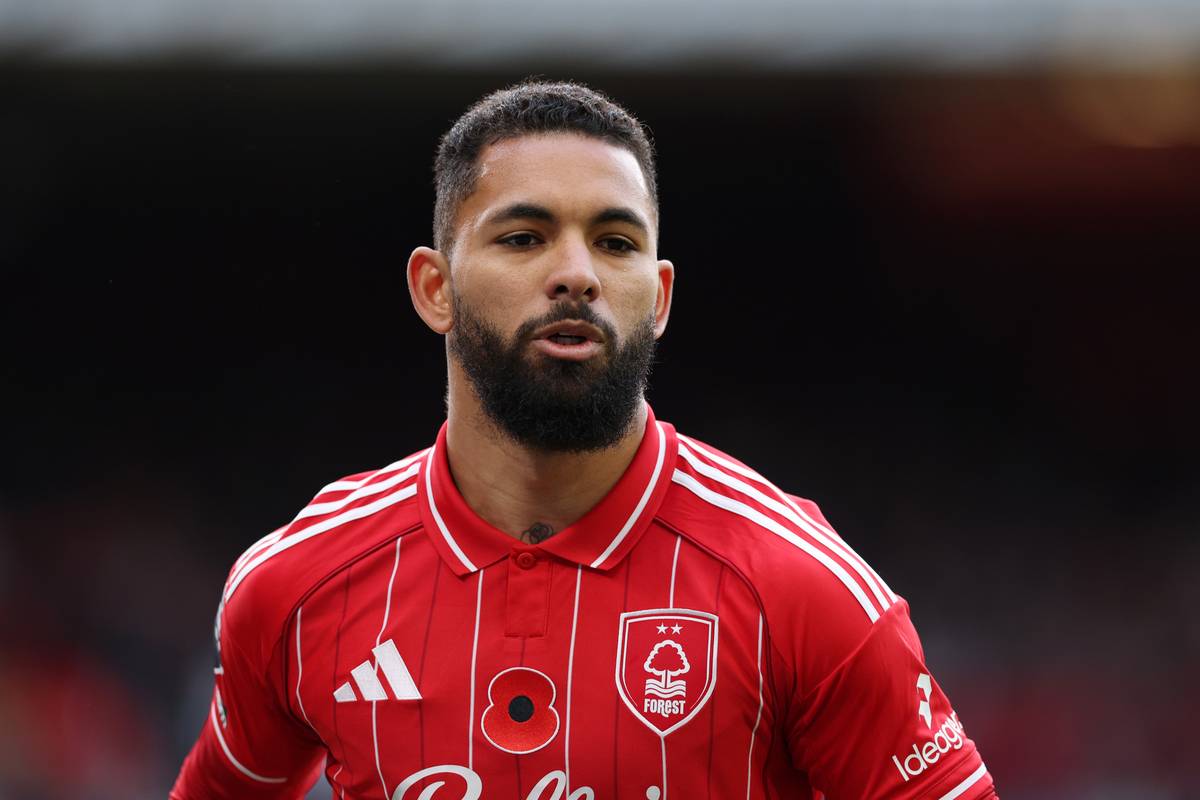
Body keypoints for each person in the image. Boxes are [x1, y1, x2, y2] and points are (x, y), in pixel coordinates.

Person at [171, 80, 997, 800]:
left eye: (616, 241)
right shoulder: (296, 586)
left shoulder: (800, 585)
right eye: (524, 237)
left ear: (660, 296)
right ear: (434, 288)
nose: (578, 273)